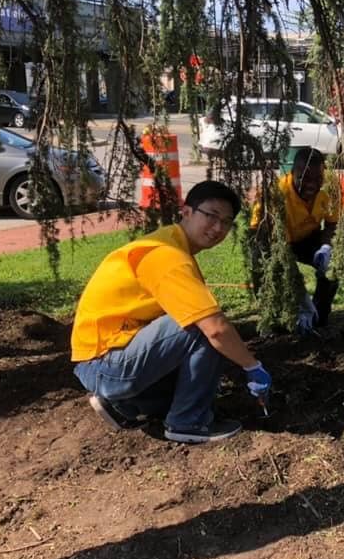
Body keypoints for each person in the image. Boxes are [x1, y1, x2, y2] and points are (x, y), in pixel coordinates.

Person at [70, 180, 271, 443]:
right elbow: (216, 329)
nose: (218, 227)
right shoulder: (167, 256)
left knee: (196, 347)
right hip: (105, 365)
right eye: (211, 215)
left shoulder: (170, 245)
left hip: (102, 358)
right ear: (186, 211)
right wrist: (252, 366)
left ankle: (124, 405)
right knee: (201, 327)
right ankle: (188, 423)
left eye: (226, 221)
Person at [250, 147, 340, 333]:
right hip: (275, 243)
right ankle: (275, 318)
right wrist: (300, 297)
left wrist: (325, 247)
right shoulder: (277, 194)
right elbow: (263, 236)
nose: (312, 185)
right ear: (292, 173)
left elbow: (332, 224)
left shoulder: (329, 190)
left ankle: (319, 317)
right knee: (265, 265)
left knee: (335, 263)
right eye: (305, 178)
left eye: (318, 179)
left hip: (309, 238)